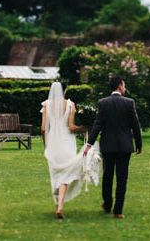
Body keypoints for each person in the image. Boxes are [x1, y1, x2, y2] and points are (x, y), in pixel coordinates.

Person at [84, 76, 142, 219]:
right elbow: (136, 125)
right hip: (125, 146)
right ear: (120, 86)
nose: (125, 88)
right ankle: (118, 210)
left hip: (108, 146)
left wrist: (89, 144)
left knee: (108, 176)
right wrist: (139, 144)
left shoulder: (103, 103)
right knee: (122, 178)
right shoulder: (129, 103)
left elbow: (97, 125)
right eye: (124, 85)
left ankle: (107, 204)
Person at [41, 81, 89, 219]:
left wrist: (46, 146)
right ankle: (60, 206)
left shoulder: (46, 105)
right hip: (67, 142)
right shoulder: (70, 104)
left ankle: (58, 206)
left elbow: (44, 129)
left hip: (53, 143)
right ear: (65, 90)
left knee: (55, 174)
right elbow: (72, 127)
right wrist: (85, 127)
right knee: (66, 174)